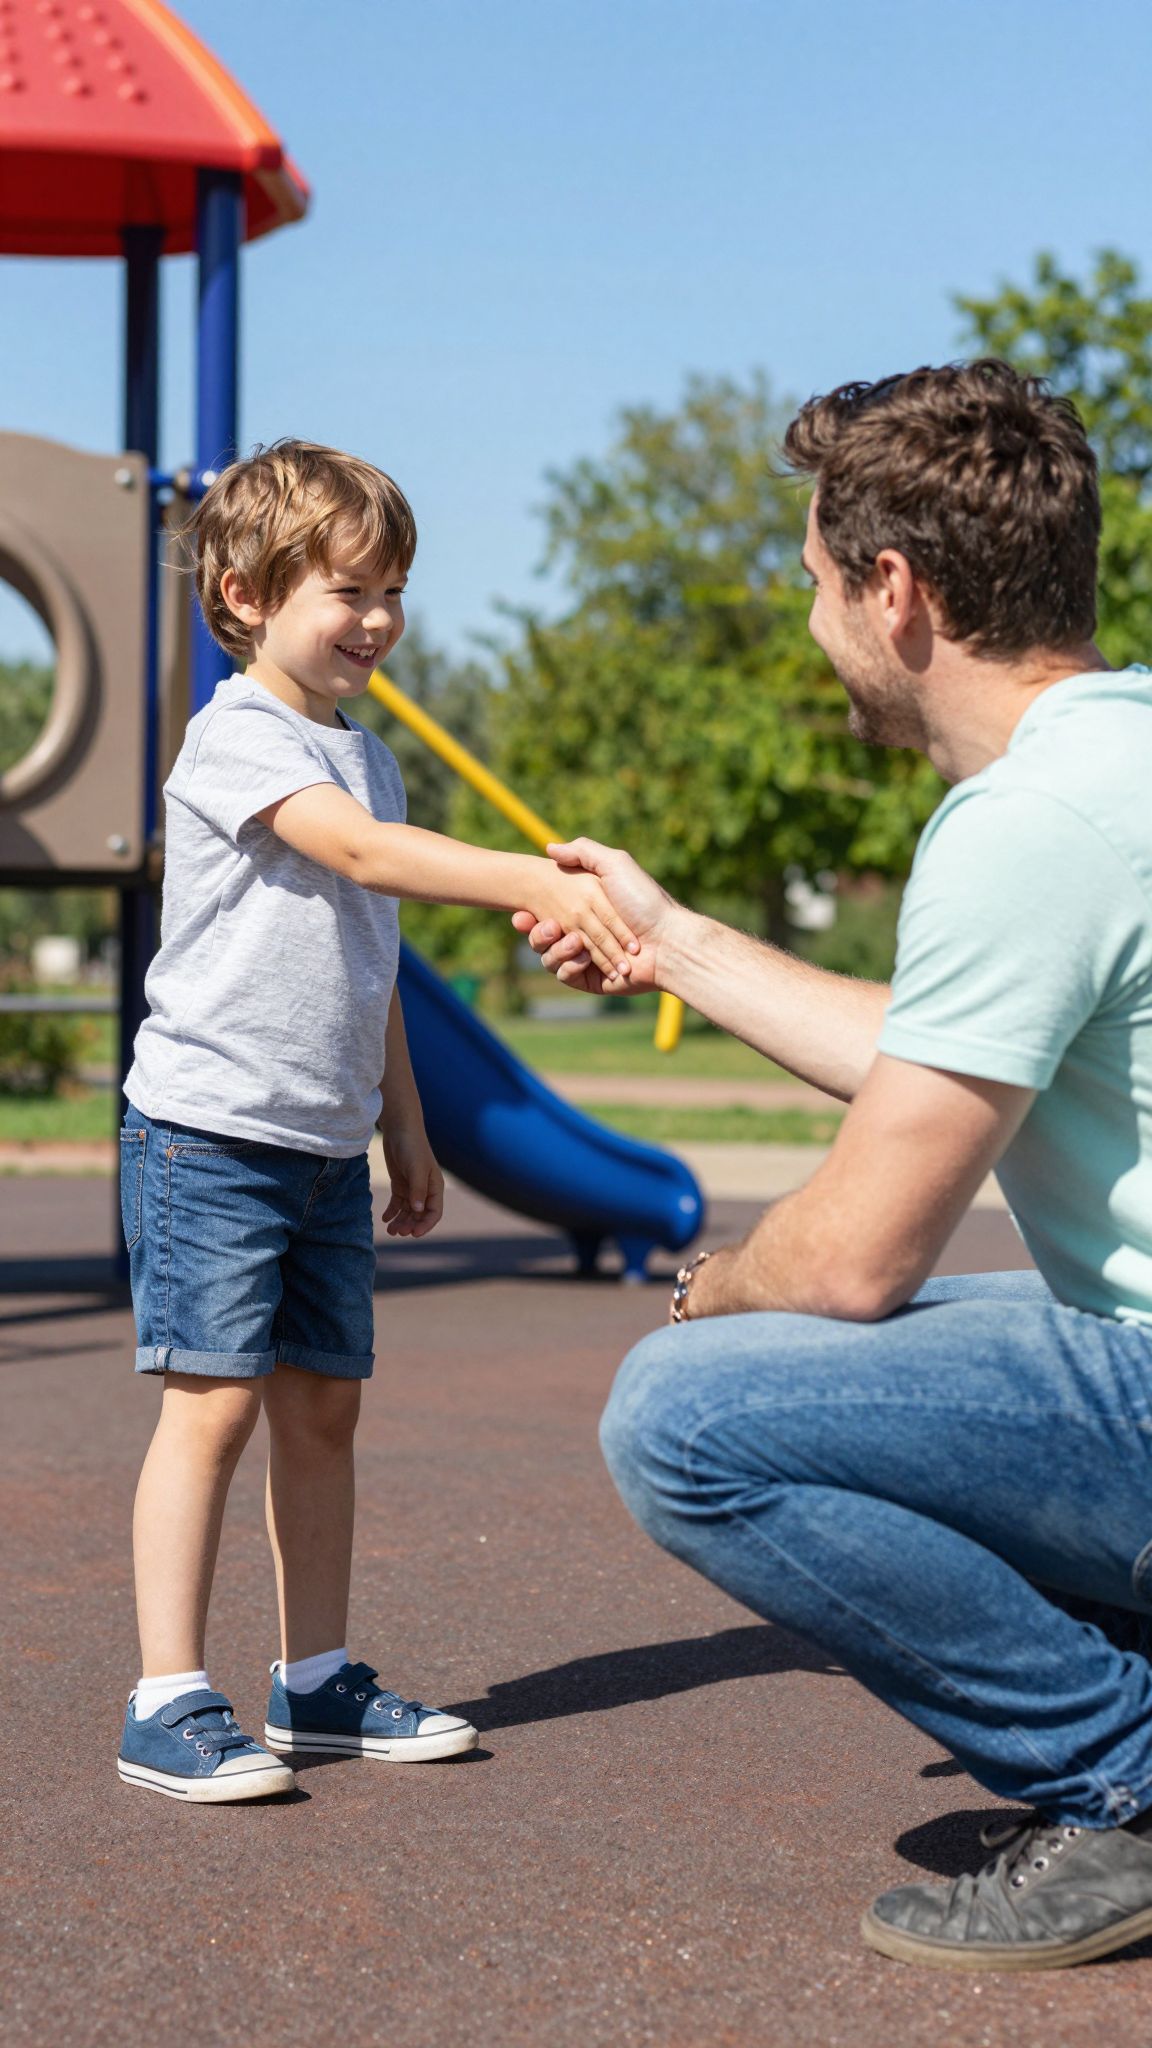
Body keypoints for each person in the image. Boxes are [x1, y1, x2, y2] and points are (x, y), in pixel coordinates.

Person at [514, 361, 1152, 1971]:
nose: (810, 624)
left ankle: (1127, 1778)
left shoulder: (1028, 823)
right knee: (961, 1345)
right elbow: (951, 1045)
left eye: (813, 583)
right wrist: (672, 943)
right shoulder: (1119, 759)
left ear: (896, 590)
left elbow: (859, 1260)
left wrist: (713, 1290)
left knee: (686, 1416)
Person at [117, 438, 639, 1803]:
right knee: (212, 1407)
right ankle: (166, 1696)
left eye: (392, 590)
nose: (378, 619)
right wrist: (533, 879)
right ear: (245, 596)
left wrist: (404, 1123)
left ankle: (316, 1680)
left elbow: (374, 959)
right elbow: (353, 854)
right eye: (347, 590)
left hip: (320, 1145)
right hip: (209, 1135)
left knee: (325, 1410)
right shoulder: (239, 734)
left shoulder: (372, 759)